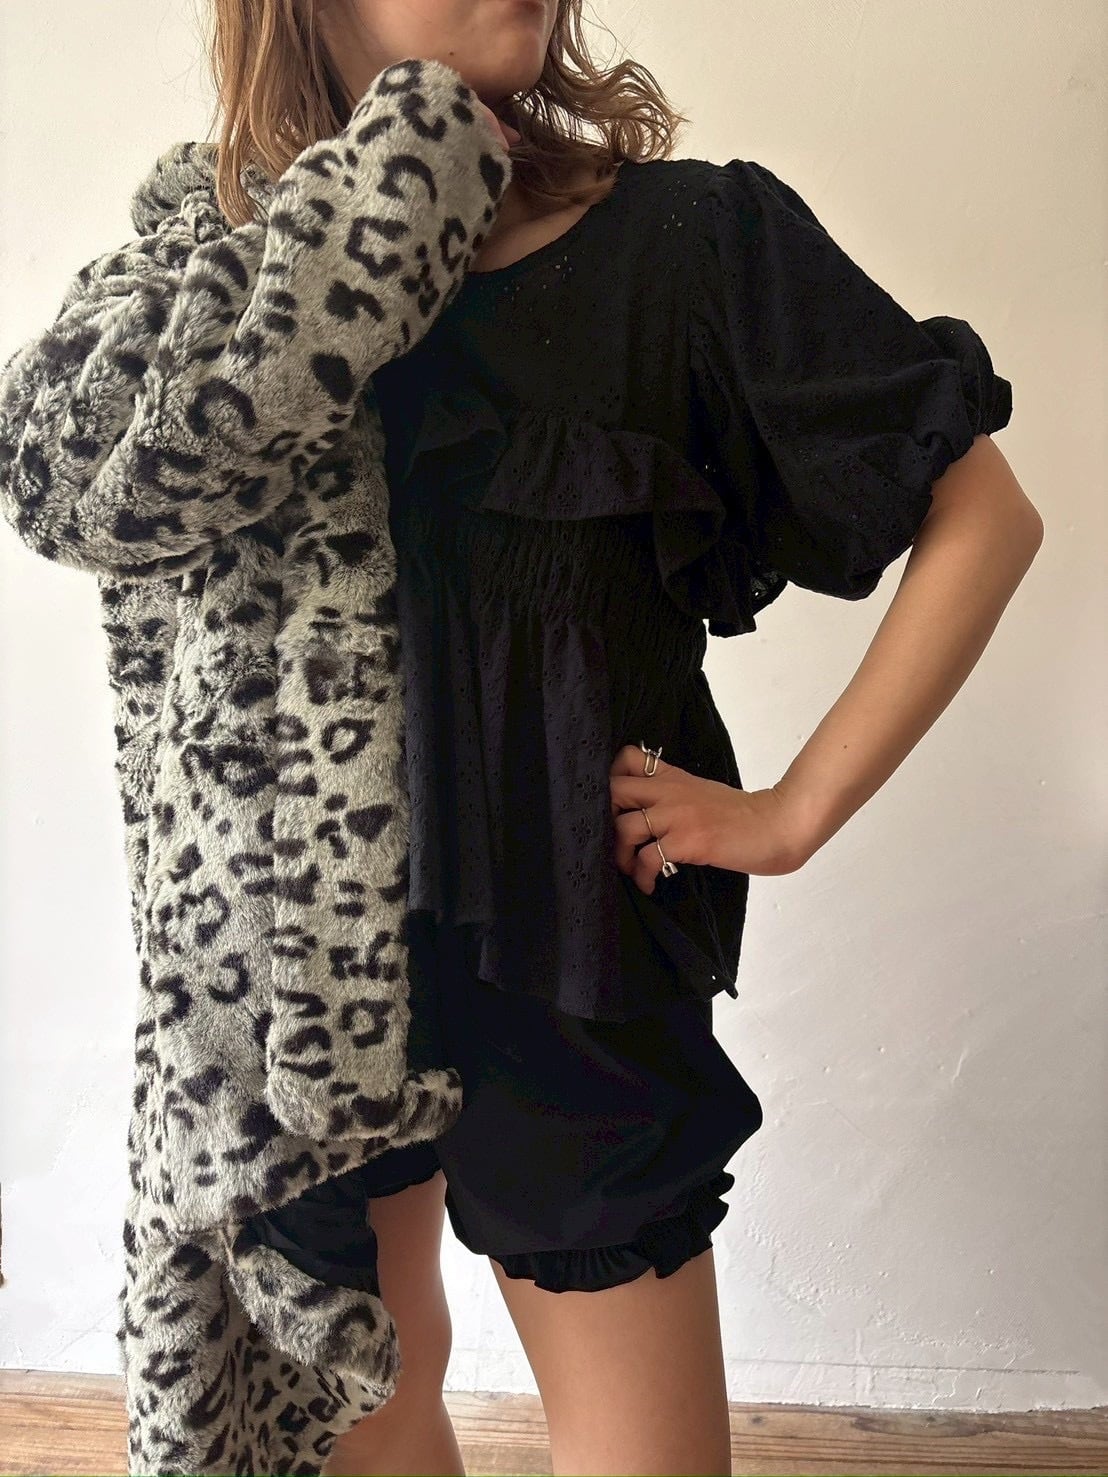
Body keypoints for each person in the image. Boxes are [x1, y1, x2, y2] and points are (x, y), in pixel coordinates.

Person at [1, 3, 1042, 1476]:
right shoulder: (232, 293)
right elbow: (62, 477)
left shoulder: (686, 245)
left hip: (565, 963)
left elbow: (984, 516)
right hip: (300, 1004)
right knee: (370, 1402)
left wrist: (793, 808)